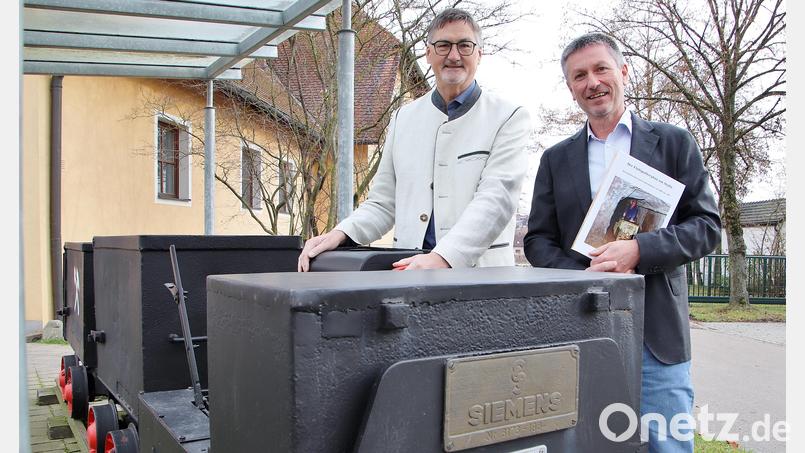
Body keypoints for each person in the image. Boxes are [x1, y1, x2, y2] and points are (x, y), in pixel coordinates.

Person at [524, 33, 721, 452]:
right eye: (579, 75)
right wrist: (582, 275)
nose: (591, 81)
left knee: (666, 444)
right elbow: (538, 240)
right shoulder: (556, 159)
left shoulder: (672, 143)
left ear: (624, 72)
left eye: (600, 69)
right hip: (580, 328)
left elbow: (706, 226)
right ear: (570, 87)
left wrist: (639, 250)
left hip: (657, 334)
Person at [298, 8, 531, 272]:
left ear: (479, 53)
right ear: (428, 52)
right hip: (409, 273)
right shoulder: (403, 118)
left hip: (480, 277)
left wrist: (444, 257)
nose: (454, 55)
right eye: (443, 45)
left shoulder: (508, 117)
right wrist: (339, 234)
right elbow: (383, 203)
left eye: (465, 45)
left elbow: (496, 200)